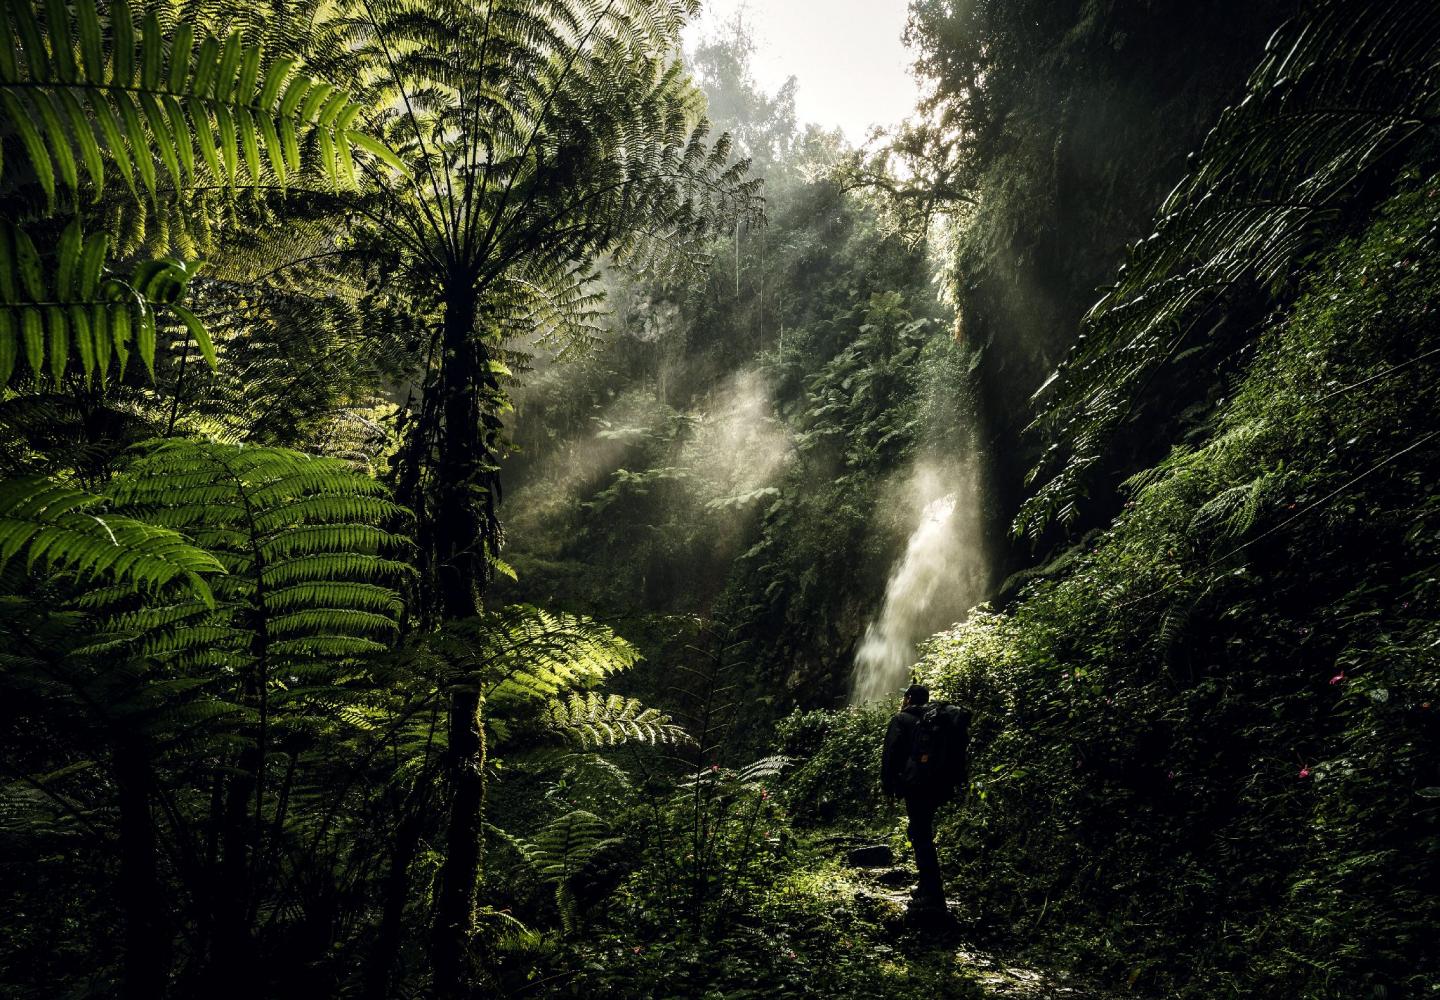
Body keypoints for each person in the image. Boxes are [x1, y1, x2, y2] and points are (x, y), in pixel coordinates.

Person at [881, 682, 947, 911]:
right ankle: (926, 886)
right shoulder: (935, 721)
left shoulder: (902, 719)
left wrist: (888, 786)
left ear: (908, 699)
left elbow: (891, 754)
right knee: (922, 831)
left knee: (920, 835)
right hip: (937, 785)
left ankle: (933, 892)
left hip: (915, 786)